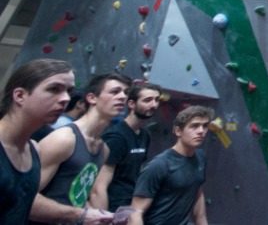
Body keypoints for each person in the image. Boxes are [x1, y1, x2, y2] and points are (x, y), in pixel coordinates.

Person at [2, 60, 109, 224]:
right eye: (54, 89)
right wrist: (77, 215)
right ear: (20, 95)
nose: (66, 99)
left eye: (69, 91)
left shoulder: (33, 151)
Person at [31, 72, 130, 225]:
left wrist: (101, 217)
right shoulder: (64, 139)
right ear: (92, 98)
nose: (123, 97)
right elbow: (24, 196)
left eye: (126, 93)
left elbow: (76, 198)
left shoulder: (103, 149)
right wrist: (79, 215)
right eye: (115, 91)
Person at [129, 105, 212, 225]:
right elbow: (135, 213)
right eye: (194, 126)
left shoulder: (200, 158)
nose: (201, 131)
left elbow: (197, 194)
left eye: (204, 126)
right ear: (178, 131)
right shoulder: (159, 165)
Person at [91, 82, 161, 211]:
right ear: (131, 104)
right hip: (113, 206)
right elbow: (98, 187)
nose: (154, 105)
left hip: (131, 204)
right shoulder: (116, 138)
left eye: (157, 100)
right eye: (148, 100)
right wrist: (105, 218)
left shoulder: (145, 135)